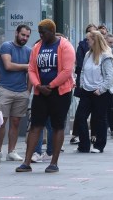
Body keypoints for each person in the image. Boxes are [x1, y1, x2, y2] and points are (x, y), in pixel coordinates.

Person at [15, 19, 74, 174]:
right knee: (35, 125)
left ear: (52, 31)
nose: (41, 35)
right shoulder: (37, 47)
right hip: (40, 92)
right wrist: (38, 85)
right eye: (39, 32)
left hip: (60, 92)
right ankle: (26, 162)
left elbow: (67, 71)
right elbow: (32, 69)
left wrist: (52, 85)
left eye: (44, 32)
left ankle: (53, 162)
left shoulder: (65, 46)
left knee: (57, 125)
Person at [73, 30, 113, 153]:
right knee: (80, 117)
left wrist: (101, 89)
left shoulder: (106, 56)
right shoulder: (88, 54)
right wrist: (82, 85)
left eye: (88, 40)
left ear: (95, 41)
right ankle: (84, 145)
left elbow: (109, 76)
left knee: (99, 118)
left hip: (100, 92)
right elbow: (82, 71)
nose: (87, 42)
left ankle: (99, 145)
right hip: (87, 90)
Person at [0, 23, 32, 161]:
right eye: (23, 35)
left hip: (22, 91)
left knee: (16, 122)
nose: (25, 38)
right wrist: (27, 66)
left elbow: (32, 73)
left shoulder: (29, 51)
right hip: (5, 89)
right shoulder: (7, 46)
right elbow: (8, 65)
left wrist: (28, 90)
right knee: (1, 122)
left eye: (27, 36)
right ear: (16, 33)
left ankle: (11, 151)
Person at [70, 23, 97, 146]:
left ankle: (94, 136)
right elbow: (80, 64)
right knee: (81, 112)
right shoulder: (82, 46)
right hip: (84, 83)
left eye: (94, 33)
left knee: (96, 113)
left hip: (97, 87)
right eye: (90, 33)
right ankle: (77, 135)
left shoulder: (103, 50)